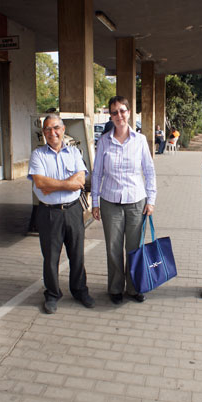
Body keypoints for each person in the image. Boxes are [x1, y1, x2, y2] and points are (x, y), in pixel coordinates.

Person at [91, 96, 156, 305]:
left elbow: (149, 171)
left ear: (129, 113)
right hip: (110, 201)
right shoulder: (103, 141)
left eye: (122, 111)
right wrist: (94, 202)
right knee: (113, 247)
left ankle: (135, 287)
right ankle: (116, 288)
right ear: (110, 116)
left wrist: (151, 199)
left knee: (135, 247)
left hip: (136, 201)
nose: (119, 115)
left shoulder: (140, 141)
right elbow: (96, 174)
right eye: (114, 112)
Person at [28, 114, 95, 314]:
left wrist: (54, 185)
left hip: (74, 210)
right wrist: (68, 184)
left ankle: (79, 290)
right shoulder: (37, 155)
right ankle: (52, 294)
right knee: (50, 257)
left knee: (77, 254)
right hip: (49, 214)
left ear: (63, 129)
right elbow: (40, 183)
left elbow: (81, 180)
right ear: (43, 133)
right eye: (47, 129)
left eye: (55, 128)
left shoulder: (74, 152)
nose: (52, 133)